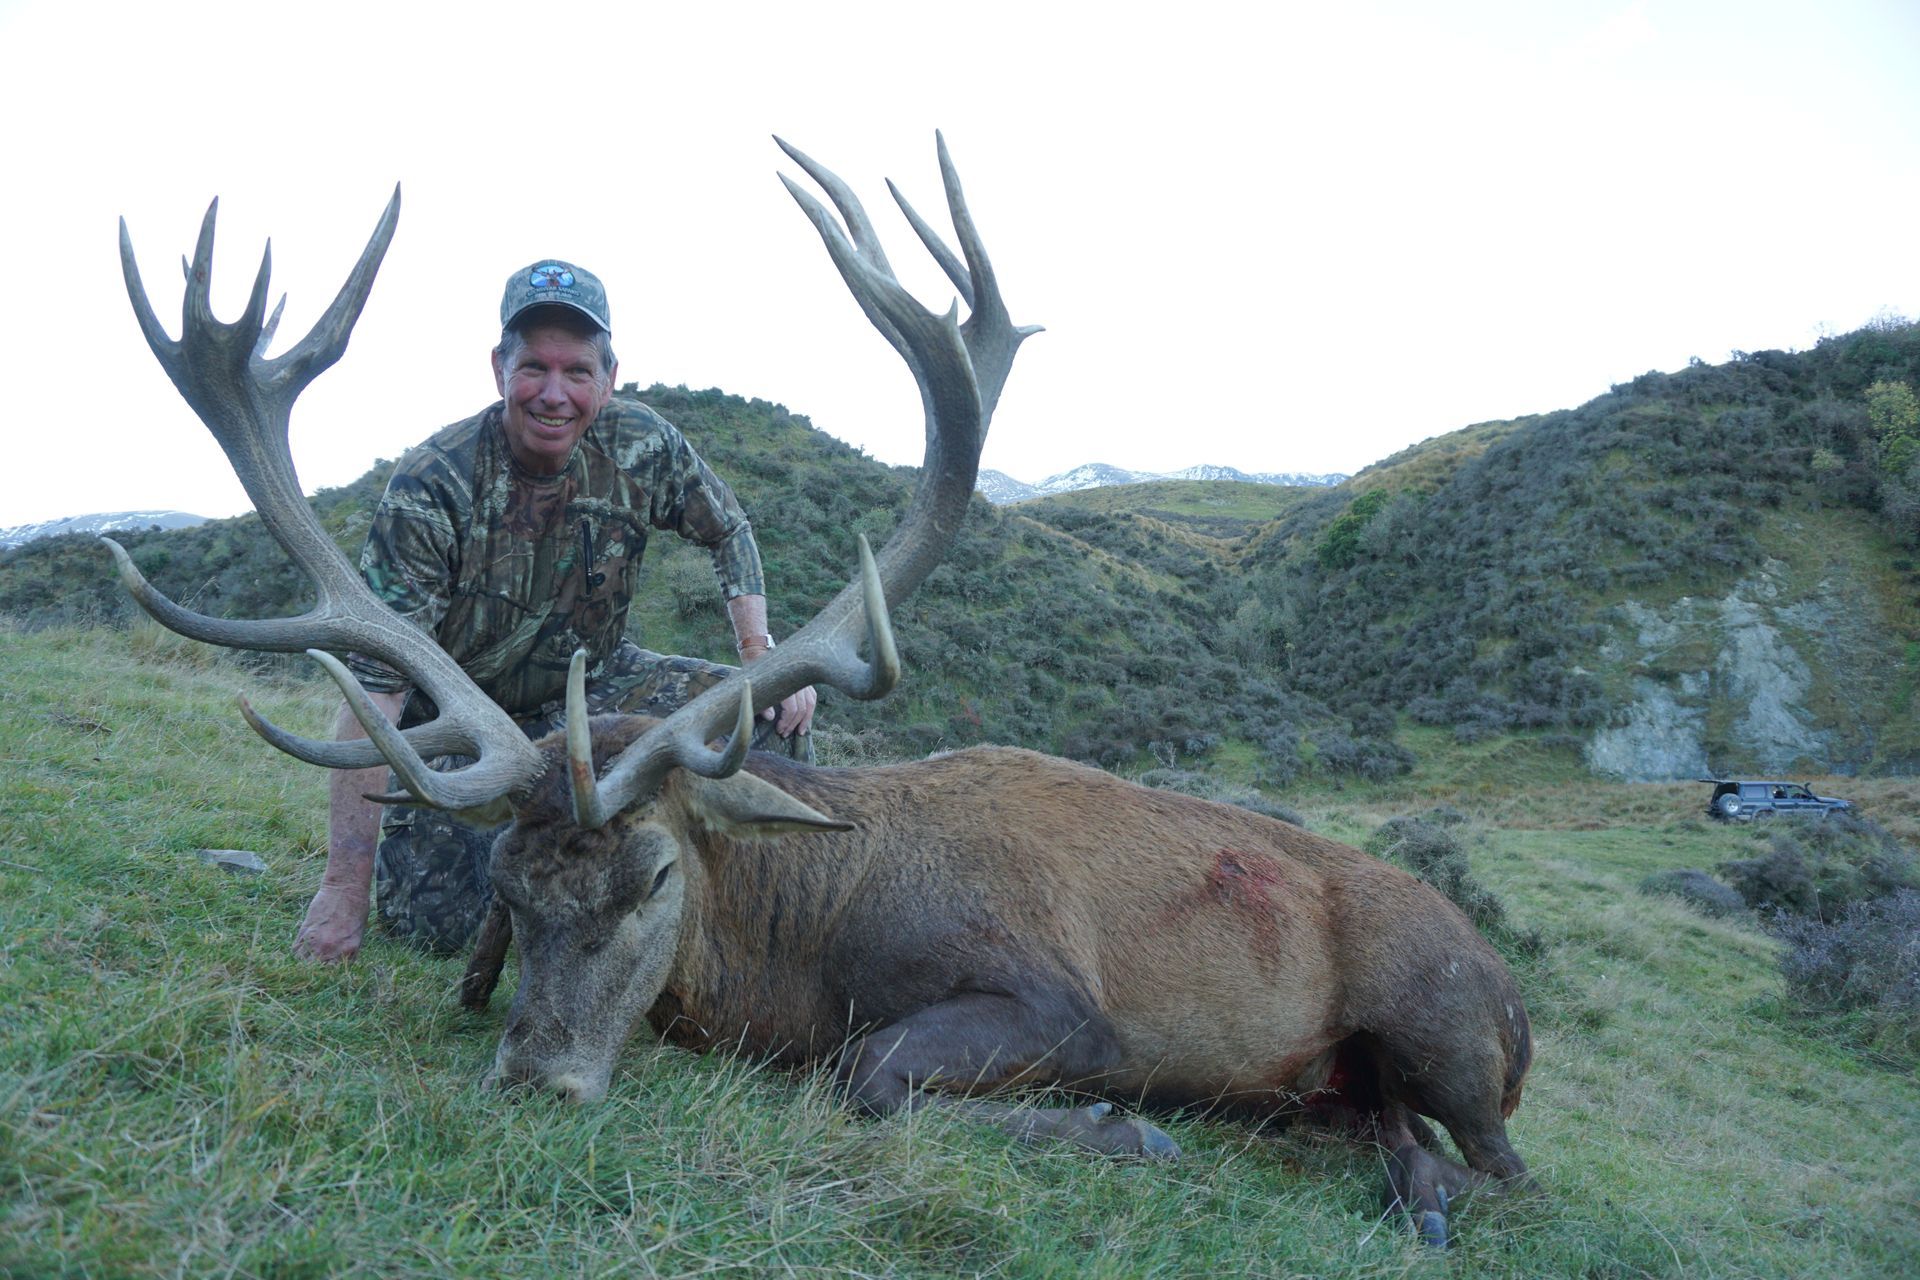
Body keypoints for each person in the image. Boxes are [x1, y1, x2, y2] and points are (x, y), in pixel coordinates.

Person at [294, 259, 816, 962]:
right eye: (533, 367)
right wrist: (341, 891)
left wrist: (761, 652)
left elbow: (728, 529)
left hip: (601, 685)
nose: (553, 394)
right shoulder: (433, 484)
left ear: (609, 377)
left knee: (770, 716)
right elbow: (375, 694)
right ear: (498, 369)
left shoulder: (643, 444)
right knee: (438, 925)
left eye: (577, 372)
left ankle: (763, 928)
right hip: (470, 724)